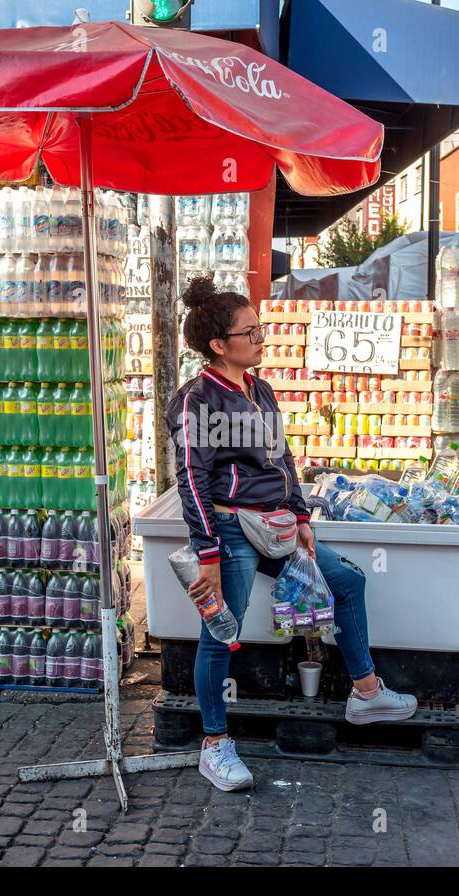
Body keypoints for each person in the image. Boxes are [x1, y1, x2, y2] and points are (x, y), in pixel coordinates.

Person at [165, 275, 419, 793]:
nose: (262, 338)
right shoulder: (196, 401)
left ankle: (366, 693)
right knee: (222, 633)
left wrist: (301, 516)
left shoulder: (261, 390)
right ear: (220, 345)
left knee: (346, 582)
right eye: (251, 332)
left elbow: (282, 458)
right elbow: (191, 476)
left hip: (279, 525)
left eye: (259, 330)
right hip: (230, 529)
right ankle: (215, 746)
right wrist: (208, 553)